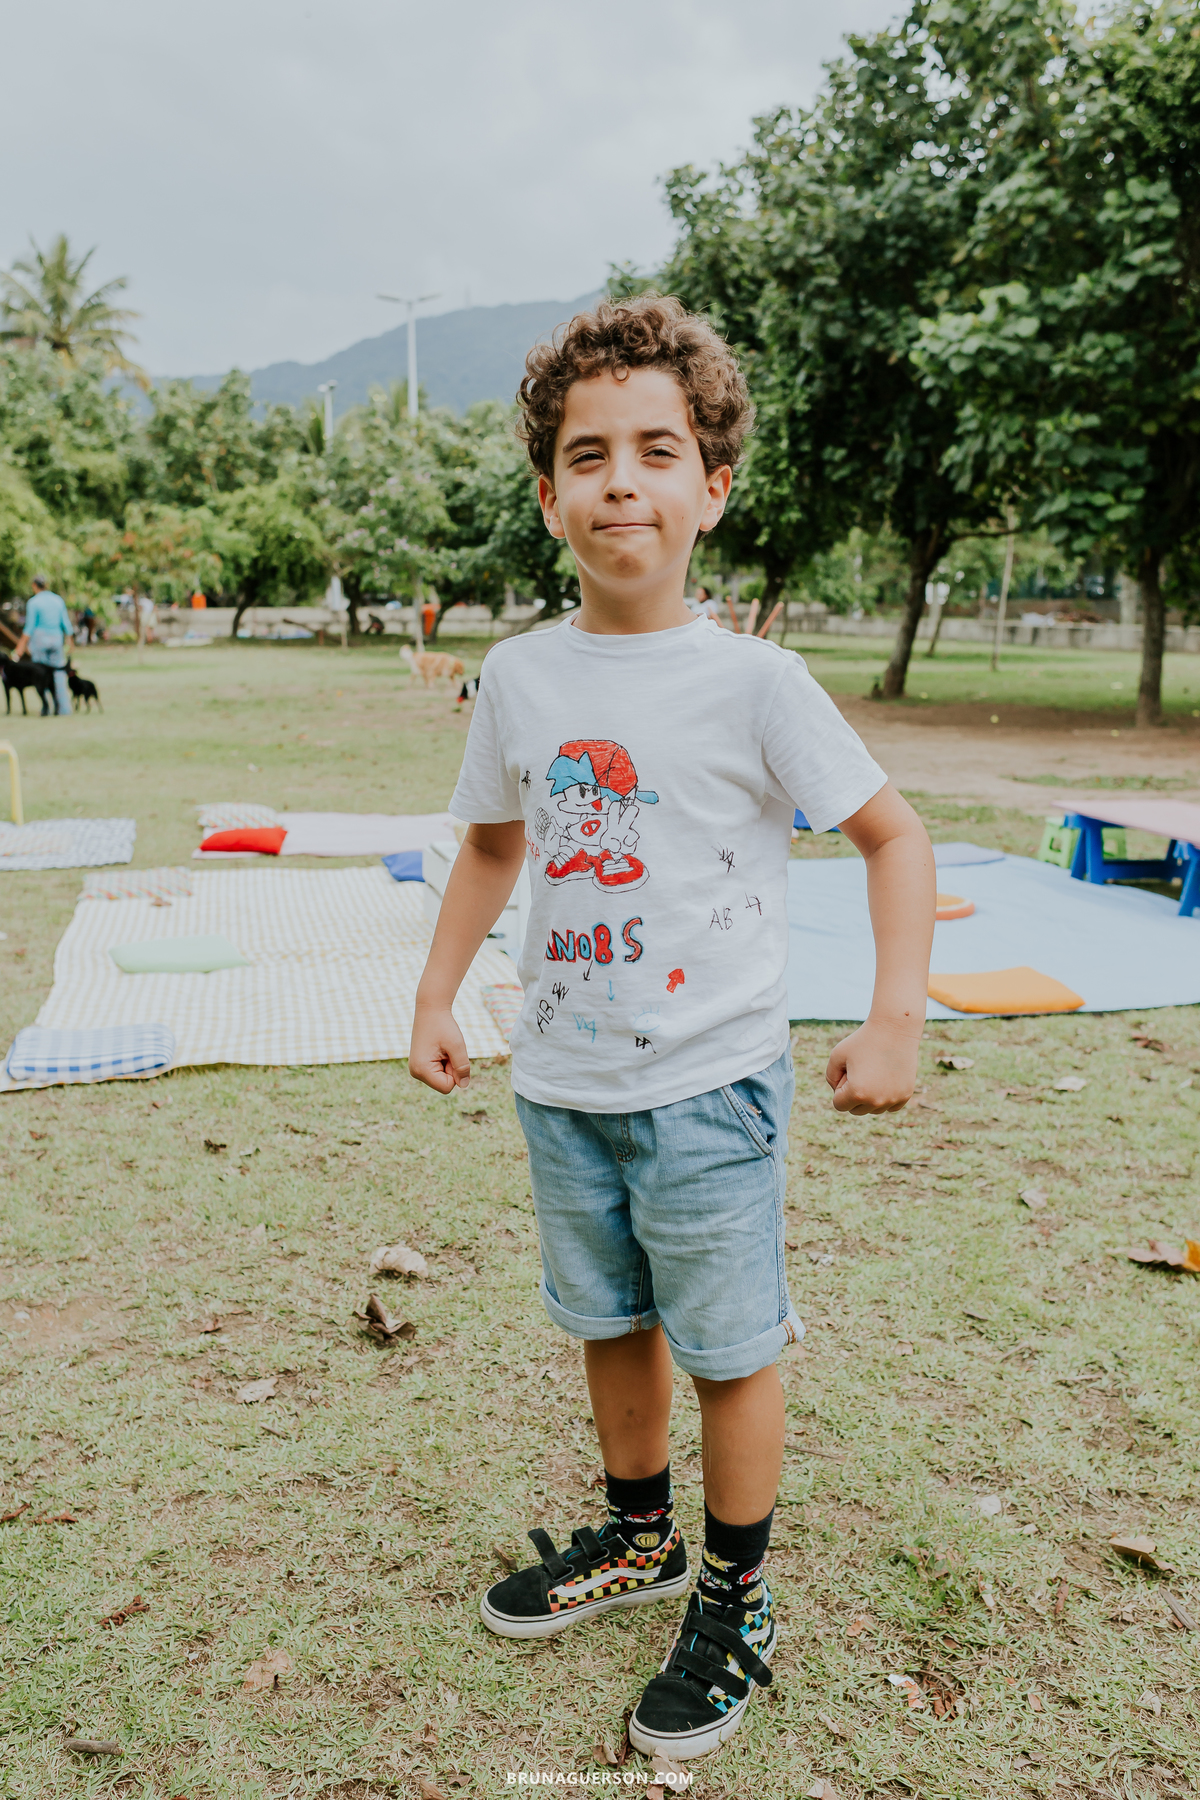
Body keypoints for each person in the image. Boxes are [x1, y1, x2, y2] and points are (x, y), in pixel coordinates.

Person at [409, 296, 934, 1762]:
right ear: (548, 496)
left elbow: (895, 838)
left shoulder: (756, 681)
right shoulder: (519, 676)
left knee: (728, 1348)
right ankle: (640, 1538)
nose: (620, 482)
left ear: (714, 487)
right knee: (608, 1322)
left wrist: (896, 1019)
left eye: (657, 451)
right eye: (588, 456)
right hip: (561, 1082)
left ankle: (737, 1596)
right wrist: (436, 993)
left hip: (712, 1090)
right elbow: (495, 845)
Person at [13, 577, 73, 715]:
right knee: (58, 672)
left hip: (40, 640)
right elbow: (65, 623)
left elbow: (29, 628)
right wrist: (70, 641)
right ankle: (63, 708)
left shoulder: (33, 602)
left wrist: (20, 647)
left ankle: (46, 707)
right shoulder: (58, 600)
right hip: (56, 639)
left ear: (34, 585)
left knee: (40, 674)